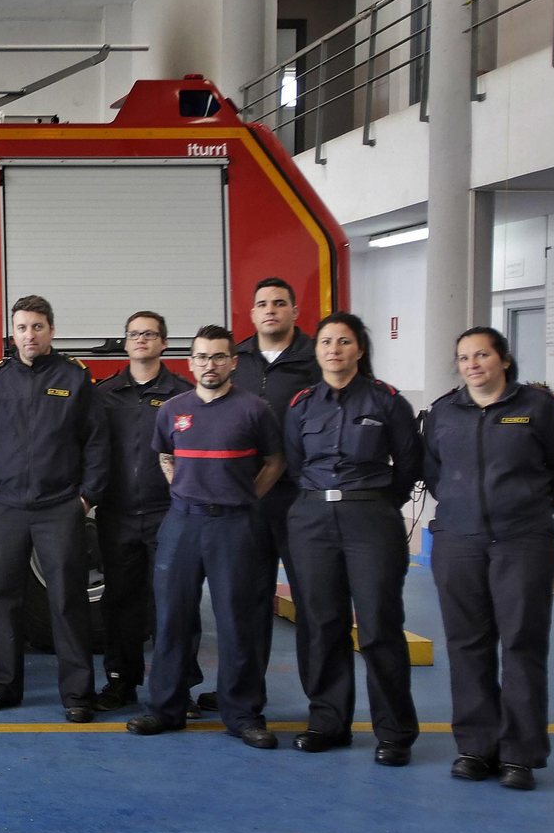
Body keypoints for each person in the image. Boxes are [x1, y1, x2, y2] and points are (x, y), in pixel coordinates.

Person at [425, 327, 554, 791]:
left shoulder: (539, 408)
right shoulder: (443, 412)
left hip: (522, 543)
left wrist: (526, 509)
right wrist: (464, 511)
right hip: (459, 542)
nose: (473, 364)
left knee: (521, 644)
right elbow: (432, 470)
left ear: (504, 359)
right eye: (464, 357)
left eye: (482, 354)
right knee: (467, 644)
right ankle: (476, 748)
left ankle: (520, 755)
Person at [127, 325, 285, 749]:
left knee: (238, 622)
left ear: (233, 362)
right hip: (181, 522)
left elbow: (275, 461)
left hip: (235, 525)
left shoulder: (255, 409)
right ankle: (165, 708)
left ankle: (242, 714)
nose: (208, 365)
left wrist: (244, 497)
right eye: (201, 357)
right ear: (190, 362)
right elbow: (165, 453)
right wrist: (182, 487)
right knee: (171, 618)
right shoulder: (173, 409)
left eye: (218, 357)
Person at [284, 312, 422, 765]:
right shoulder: (303, 403)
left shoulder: (387, 401)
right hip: (312, 517)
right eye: (326, 342)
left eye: (343, 342)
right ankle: (328, 722)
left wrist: (377, 503)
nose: (334, 350)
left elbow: (408, 464)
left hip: (370, 516)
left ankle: (394, 732)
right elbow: (293, 460)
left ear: (359, 350)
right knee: (321, 623)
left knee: (380, 623)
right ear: (317, 349)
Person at [0, 295, 106, 718]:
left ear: (51, 330)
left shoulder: (76, 379)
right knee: (3, 597)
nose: (30, 335)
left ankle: (78, 694)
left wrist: (85, 498)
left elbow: (97, 442)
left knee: (67, 600)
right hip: (4, 507)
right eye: (22, 327)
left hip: (58, 507)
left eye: (38, 327)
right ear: (13, 333)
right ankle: (3, 687)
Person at [225, 277, 321, 713]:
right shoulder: (237, 359)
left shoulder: (315, 359)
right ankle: (243, 696)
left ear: (295, 312)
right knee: (247, 601)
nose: (270, 311)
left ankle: (322, 704)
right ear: (252, 312)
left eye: (279, 304)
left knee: (312, 603)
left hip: (302, 499)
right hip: (249, 498)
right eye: (262, 303)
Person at [91, 310, 193, 712]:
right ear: (126, 341)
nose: (141, 340)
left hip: (169, 512)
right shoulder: (105, 394)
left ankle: (177, 687)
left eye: (150, 334)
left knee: (172, 602)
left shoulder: (184, 395)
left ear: (164, 343)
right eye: (134, 334)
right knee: (119, 602)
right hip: (116, 514)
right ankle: (120, 682)